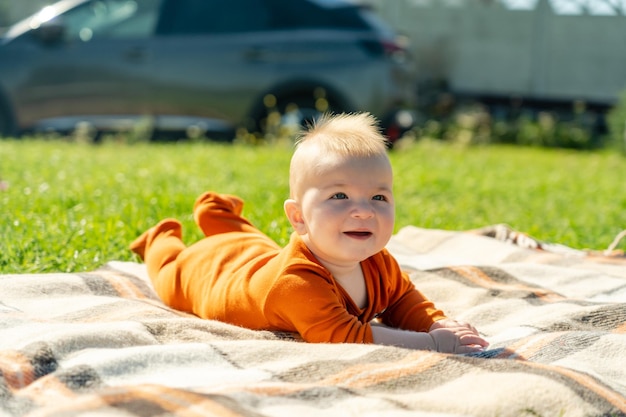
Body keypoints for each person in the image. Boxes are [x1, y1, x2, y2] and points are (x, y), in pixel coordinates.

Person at [130, 112, 489, 353]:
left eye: (378, 196)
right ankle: (159, 238)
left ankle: (217, 215)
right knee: (173, 273)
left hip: (256, 256)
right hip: (211, 274)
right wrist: (431, 343)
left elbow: (402, 300)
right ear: (298, 218)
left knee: (252, 243)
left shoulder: (378, 261)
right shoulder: (297, 283)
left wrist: (437, 323)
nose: (364, 210)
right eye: (339, 196)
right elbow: (344, 336)